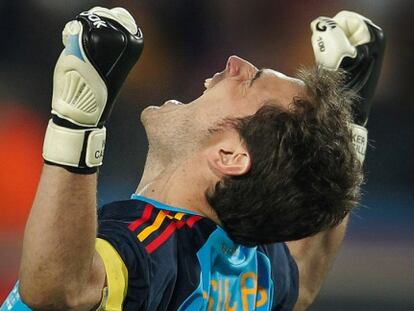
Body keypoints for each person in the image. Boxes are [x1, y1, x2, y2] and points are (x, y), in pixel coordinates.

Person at [0, 7, 384, 311]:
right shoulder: (253, 267)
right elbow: (303, 279)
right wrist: (351, 123)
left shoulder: (155, 244)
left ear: (231, 156)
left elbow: (57, 291)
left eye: (250, 81)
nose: (235, 62)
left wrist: (77, 121)